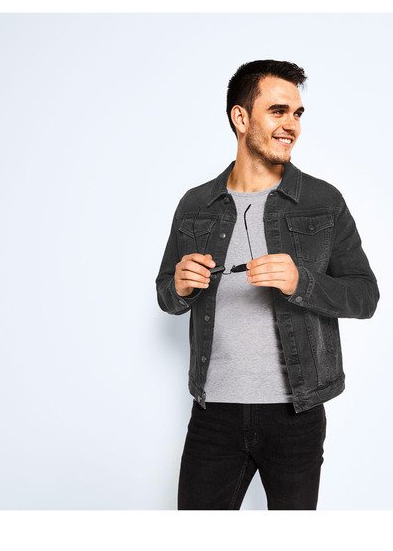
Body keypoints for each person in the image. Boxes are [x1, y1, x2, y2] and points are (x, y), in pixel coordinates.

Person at [155, 60, 379, 510]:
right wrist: (179, 287)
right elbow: (165, 293)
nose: (291, 125)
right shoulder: (196, 204)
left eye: (297, 113)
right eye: (278, 111)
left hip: (297, 413)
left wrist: (302, 282)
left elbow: (364, 295)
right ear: (241, 118)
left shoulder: (323, 200)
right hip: (212, 416)